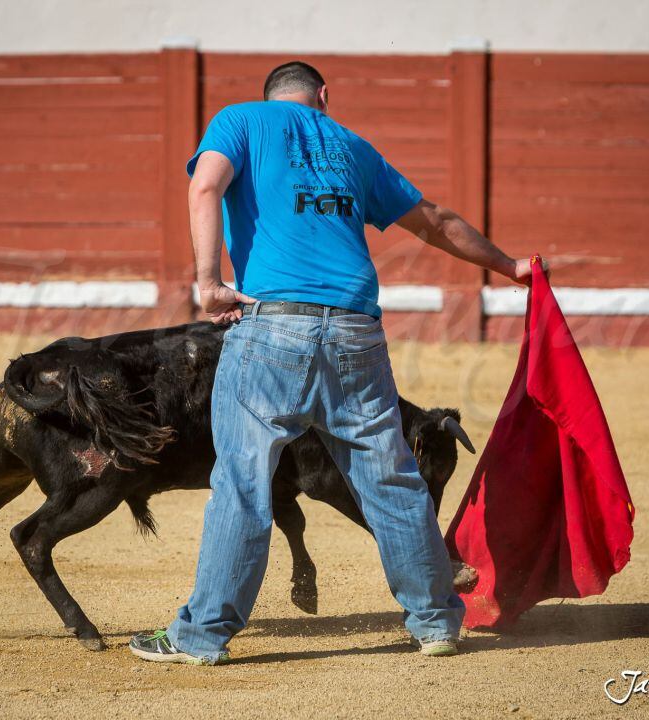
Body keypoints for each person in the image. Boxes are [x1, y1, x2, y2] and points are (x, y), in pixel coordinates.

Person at [130, 61, 545, 665]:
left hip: (272, 329)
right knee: (392, 480)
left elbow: (204, 187)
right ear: (324, 97)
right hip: (355, 333)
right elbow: (437, 222)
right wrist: (512, 268)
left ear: (271, 97)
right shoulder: (352, 145)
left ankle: (202, 637)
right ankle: (434, 622)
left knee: (243, 485)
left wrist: (207, 281)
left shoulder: (240, 121)